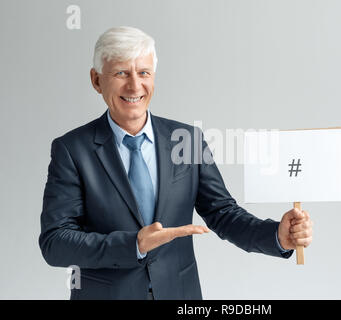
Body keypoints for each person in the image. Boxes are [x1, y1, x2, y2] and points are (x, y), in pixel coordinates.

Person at [38, 26, 313, 300]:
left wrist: (276, 235)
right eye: (121, 73)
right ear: (97, 80)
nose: (135, 86)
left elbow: (223, 213)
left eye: (143, 72)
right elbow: (55, 242)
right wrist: (133, 245)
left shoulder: (188, 140)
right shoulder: (72, 150)